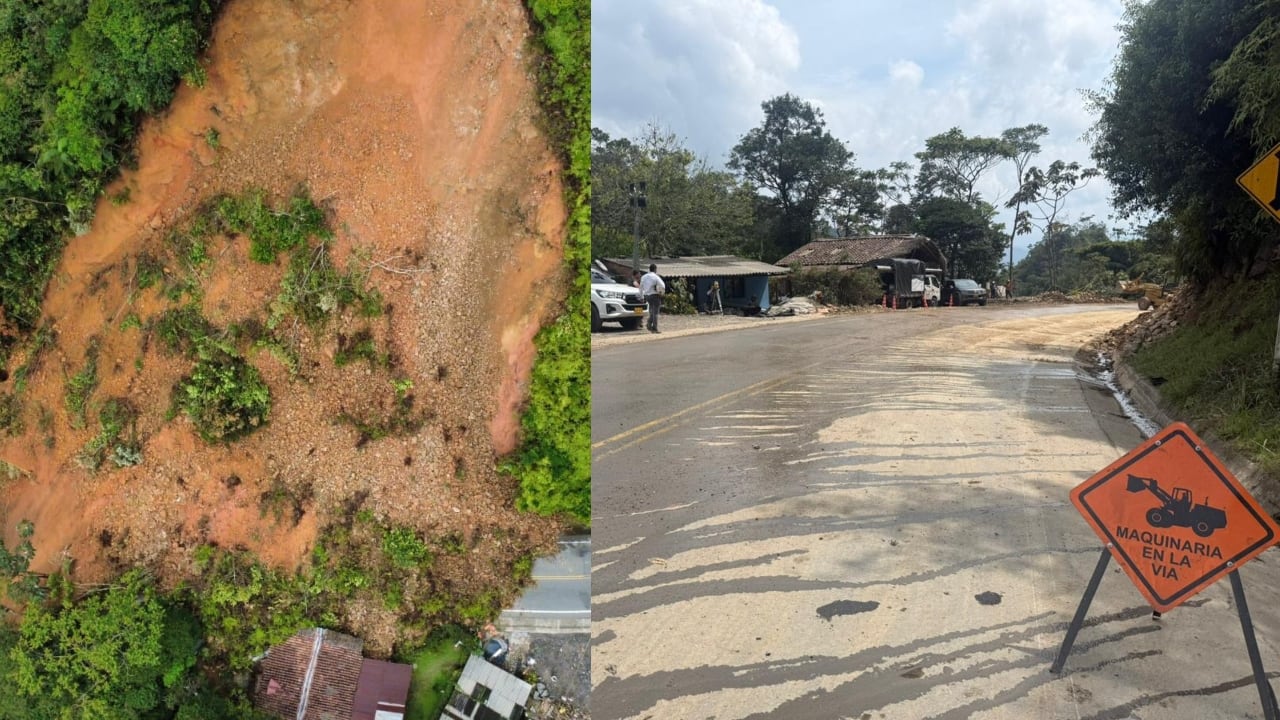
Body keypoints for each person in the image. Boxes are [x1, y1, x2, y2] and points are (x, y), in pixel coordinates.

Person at [639, 263, 666, 333]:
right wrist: (661, 292)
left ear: (649, 269)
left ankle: (649, 324)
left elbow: (640, 287)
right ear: (655, 269)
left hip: (647, 296)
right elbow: (663, 285)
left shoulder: (644, 277)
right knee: (655, 313)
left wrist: (641, 297)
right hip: (655, 295)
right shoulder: (655, 276)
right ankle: (654, 328)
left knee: (651, 311)